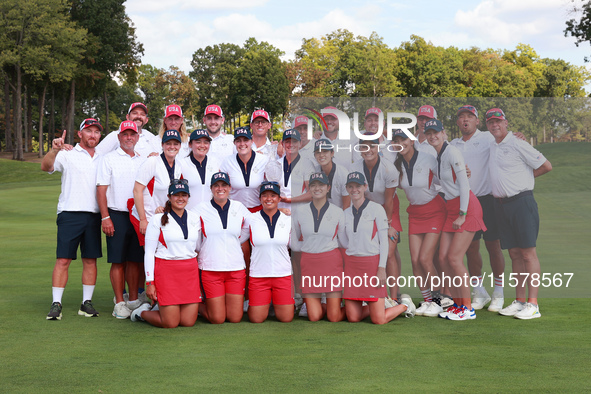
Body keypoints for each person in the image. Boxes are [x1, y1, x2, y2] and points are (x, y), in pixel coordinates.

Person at [486, 108, 552, 319]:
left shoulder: (517, 142)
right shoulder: (491, 145)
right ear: (487, 126)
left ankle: (533, 304)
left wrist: (525, 178)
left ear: (505, 123)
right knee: (514, 254)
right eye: (491, 122)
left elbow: (546, 166)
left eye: (498, 121)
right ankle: (520, 300)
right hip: (501, 205)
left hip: (522, 202)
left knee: (528, 253)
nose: (495, 125)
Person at [423, 119, 486, 321]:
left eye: (436, 132)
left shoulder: (452, 152)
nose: (433, 136)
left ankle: (467, 308)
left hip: (465, 207)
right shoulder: (438, 156)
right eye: (429, 133)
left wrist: (462, 214)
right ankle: (457, 305)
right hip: (451, 208)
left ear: (444, 133)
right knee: (443, 258)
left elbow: (465, 185)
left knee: (454, 259)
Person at [41, 119, 103, 320]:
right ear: (80, 134)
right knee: (63, 260)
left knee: (90, 260)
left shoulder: (103, 156)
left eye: (96, 132)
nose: (92, 135)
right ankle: (56, 303)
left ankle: (86, 303)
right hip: (69, 213)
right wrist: (54, 150)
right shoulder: (67, 153)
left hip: (94, 215)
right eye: (88, 131)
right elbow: (46, 167)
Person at [450, 105, 506, 312]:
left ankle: (498, 291)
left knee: (493, 246)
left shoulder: (487, 137)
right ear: (458, 122)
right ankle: (479, 290)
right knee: (471, 249)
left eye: (469, 117)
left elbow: (506, 137)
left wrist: (519, 135)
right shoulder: (453, 144)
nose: (465, 120)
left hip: (488, 199)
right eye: (461, 117)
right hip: (466, 202)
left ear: (477, 121)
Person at [341, 172, 416, 324]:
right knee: (353, 318)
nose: (354, 190)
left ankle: (404, 305)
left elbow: (384, 241)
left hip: (371, 265)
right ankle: (379, 304)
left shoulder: (376, 209)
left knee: (379, 320)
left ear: (365, 187)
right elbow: (343, 241)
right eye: (351, 186)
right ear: (347, 189)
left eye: (358, 186)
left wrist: (381, 268)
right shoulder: (345, 213)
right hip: (352, 267)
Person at [130, 179, 201, 328]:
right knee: (170, 323)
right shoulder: (157, 219)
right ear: (169, 197)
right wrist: (150, 282)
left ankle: (161, 308)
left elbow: (198, 247)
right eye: (176, 195)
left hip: (189, 272)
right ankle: (141, 312)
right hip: (167, 271)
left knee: (188, 322)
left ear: (188, 197)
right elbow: (149, 252)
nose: (180, 198)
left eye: (184, 195)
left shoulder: (195, 218)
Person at [393, 130, 446, 317]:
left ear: (412, 140)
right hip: (415, 213)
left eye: (404, 140)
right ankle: (427, 300)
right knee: (415, 259)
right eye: (397, 141)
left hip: (435, 210)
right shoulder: (397, 165)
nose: (401, 143)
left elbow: (445, 178)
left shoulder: (428, 158)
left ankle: (438, 300)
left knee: (425, 258)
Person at [96, 121, 146, 319]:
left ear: (137, 137)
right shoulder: (109, 159)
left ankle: (133, 299)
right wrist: (105, 217)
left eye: (132, 134)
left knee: (134, 259)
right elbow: (101, 190)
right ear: (119, 137)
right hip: (116, 214)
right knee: (118, 261)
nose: (128, 138)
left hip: (136, 215)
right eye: (125, 134)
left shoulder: (143, 160)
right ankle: (119, 302)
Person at [351, 133, 402, 302]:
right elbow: (357, 195)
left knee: (389, 253)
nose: (368, 150)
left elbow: (389, 200)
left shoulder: (389, 169)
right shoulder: (356, 167)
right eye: (364, 146)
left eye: (372, 146)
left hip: (388, 209)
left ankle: (393, 298)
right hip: (368, 209)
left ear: (378, 147)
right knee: (371, 250)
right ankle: (376, 294)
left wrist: (387, 226)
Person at [196, 172, 251, 324]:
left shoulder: (239, 207)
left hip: (235, 268)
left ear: (229, 187)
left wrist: (235, 240)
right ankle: (196, 306)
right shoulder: (200, 208)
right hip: (211, 269)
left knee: (234, 318)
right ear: (211, 188)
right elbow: (187, 225)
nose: (220, 189)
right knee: (217, 319)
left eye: (224, 185)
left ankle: (217, 306)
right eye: (216, 186)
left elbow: (252, 223)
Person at [293, 172, 347, 322]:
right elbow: (294, 242)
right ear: (309, 188)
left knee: (334, 317)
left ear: (328, 187)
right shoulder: (299, 212)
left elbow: (342, 241)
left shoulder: (337, 212)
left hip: (331, 262)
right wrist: (311, 246)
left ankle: (357, 306)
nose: (317, 188)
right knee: (314, 317)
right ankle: (329, 305)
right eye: (313, 185)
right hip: (309, 263)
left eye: (321, 185)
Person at [246, 181, 294, 323]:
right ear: (260, 199)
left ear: (279, 199)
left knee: (286, 318)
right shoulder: (250, 219)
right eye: (265, 195)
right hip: (259, 276)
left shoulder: (288, 221)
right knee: (256, 319)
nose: (269, 199)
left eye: (273, 195)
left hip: (283, 275)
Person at [131, 129, 183, 245]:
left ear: (180, 146)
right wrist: (143, 220)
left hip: (161, 216)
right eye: (168, 143)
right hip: (146, 216)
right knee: (151, 256)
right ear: (162, 145)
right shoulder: (152, 162)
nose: (172, 146)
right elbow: (137, 190)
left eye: (175, 144)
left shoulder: (178, 165)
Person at [96, 102, 160, 157]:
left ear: (146, 120)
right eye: (135, 113)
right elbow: (97, 156)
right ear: (127, 117)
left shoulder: (150, 136)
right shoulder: (116, 135)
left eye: (142, 114)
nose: (138, 116)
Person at [179, 129, 221, 212]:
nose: (202, 145)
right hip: (188, 216)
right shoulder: (181, 165)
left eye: (206, 142)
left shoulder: (215, 163)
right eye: (198, 142)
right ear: (190, 144)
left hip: (210, 215)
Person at [312, 139, 350, 209]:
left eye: (325, 151)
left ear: (332, 153)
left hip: (341, 214)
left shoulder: (343, 174)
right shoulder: (314, 172)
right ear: (314, 155)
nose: (321, 155)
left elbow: (347, 206)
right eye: (318, 152)